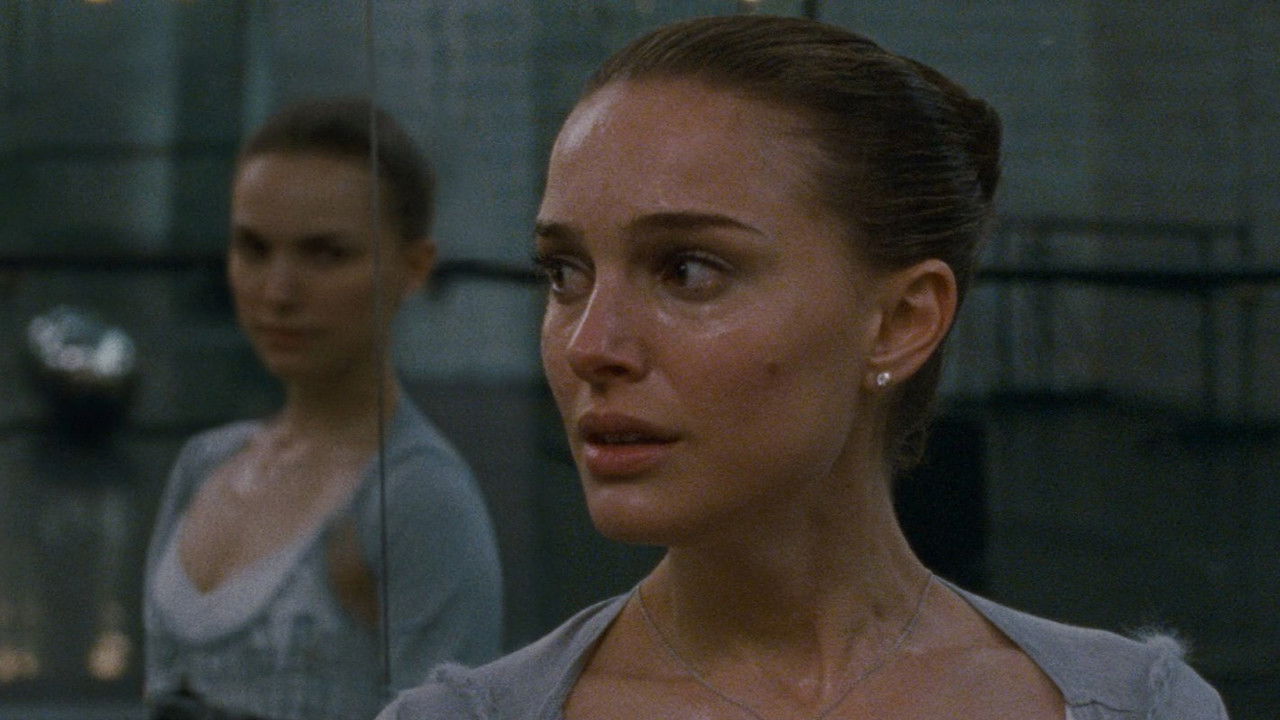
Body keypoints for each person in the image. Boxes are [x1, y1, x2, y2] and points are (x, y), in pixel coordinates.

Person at [376, 15, 1227, 720]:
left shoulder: (1135, 708)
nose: (589, 345)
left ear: (900, 321)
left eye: (688, 271)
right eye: (565, 273)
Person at [144, 98, 503, 720]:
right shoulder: (205, 463)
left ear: (413, 267)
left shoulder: (416, 494)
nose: (277, 291)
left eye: (326, 254)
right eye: (253, 249)